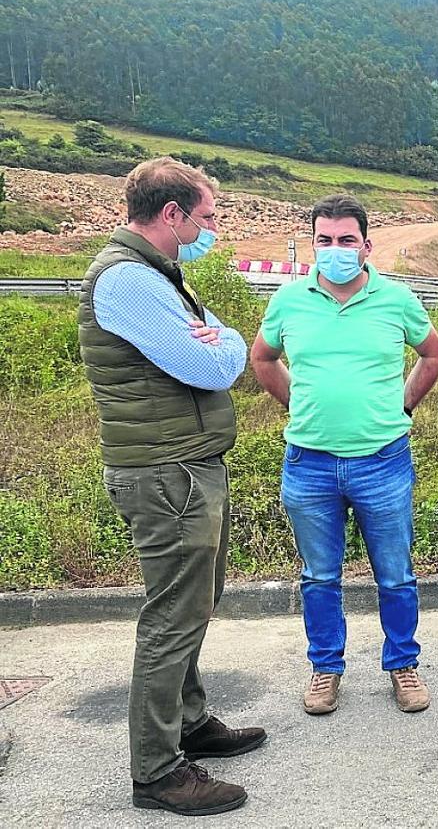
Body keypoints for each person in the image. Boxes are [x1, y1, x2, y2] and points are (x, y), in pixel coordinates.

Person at [79, 157, 264, 816]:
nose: (212, 227)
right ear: (171, 214)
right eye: (207, 216)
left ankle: (188, 721)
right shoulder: (128, 280)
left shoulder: (159, 275)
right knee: (173, 615)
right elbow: (211, 362)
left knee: (195, 603)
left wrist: (226, 340)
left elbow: (224, 345)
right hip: (165, 472)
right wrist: (226, 342)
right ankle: (157, 770)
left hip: (185, 465)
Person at [251, 194, 438, 716]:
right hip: (309, 462)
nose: (335, 250)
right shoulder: (289, 300)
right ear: (313, 243)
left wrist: (403, 403)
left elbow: (433, 353)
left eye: (346, 240)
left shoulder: (396, 299)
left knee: (396, 574)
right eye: (325, 240)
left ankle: (403, 664)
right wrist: (298, 401)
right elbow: (263, 358)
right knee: (319, 576)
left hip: (382, 460)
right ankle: (325, 668)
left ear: (366, 245)